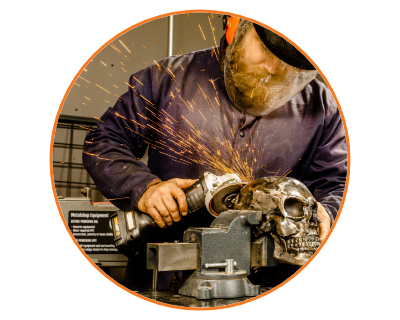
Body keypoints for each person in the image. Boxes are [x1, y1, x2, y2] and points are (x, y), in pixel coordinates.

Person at [82, 17, 347, 290]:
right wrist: (145, 188)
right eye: (266, 51)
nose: (273, 68)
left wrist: (327, 212)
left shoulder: (323, 108)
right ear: (235, 26)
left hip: (270, 281)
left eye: (289, 65)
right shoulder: (165, 79)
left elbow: (338, 183)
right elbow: (104, 143)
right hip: (167, 279)